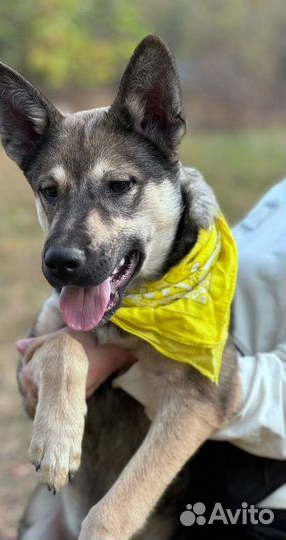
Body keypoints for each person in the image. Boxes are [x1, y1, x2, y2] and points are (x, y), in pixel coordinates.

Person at [17, 180, 286, 539]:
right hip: (199, 470)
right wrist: (63, 363)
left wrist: (121, 359)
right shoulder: (274, 197)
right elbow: (35, 383)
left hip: (256, 503)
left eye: (116, 186)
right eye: (51, 192)